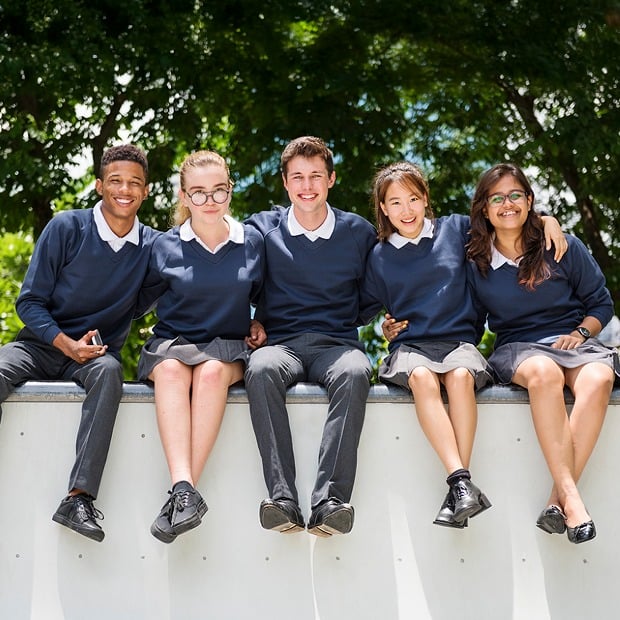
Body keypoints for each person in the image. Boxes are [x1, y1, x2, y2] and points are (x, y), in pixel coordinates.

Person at [0, 144, 159, 542]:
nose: (125, 189)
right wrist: (65, 342)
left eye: (134, 183)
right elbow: (29, 301)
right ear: (99, 185)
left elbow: (166, 292)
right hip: (39, 345)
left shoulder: (153, 246)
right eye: (116, 181)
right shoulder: (67, 228)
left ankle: (78, 498)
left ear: (146, 191)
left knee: (109, 374)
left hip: (94, 356)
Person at [466, 162, 617, 544]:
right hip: (518, 348)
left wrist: (581, 333)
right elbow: (465, 317)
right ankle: (573, 502)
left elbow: (601, 304)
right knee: (544, 373)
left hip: (574, 343)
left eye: (516, 195)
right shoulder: (475, 262)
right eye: (496, 197)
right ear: (484, 208)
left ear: (530, 201)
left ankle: (558, 500)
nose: (507, 204)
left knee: (601, 377)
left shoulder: (562, 246)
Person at [244, 136, 378, 537]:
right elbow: (232, 278)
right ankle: (282, 498)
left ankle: (331, 502)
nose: (307, 186)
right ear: (285, 183)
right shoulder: (261, 229)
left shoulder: (359, 232)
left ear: (331, 179)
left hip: (337, 345)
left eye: (316, 176)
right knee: (260, 366)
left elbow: (375, 291)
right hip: (280, 343)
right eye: (298, 177)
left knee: (357, 371)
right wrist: (245, 322)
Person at [137, 151, 265, 543]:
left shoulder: (253, 242)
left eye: (218, 191)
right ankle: (184, 490)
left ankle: (181, 494)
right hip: (172, 345)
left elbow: (268, 297)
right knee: (173, 371)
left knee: (210, 374)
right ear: (183, 196)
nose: (210, 201)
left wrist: (262, 322)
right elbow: (134, 302)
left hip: (227, 346)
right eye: (198, 193)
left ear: (230, 189)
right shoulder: (164, 246)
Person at [364, 162, 494, 528]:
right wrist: (385, 328)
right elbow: (362, 309)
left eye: (413, 199)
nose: (406, 210)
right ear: (384, 209)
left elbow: (503, 225)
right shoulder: (379, 256)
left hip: (457, 341)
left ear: (425, 199)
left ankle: (459, 484)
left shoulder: (455, 230)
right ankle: (461, 482)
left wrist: (546, 222)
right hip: (412, 347)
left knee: (460, 378)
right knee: (422, 378)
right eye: (395, 202)